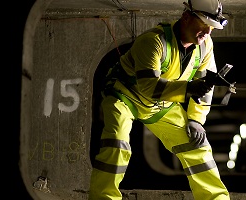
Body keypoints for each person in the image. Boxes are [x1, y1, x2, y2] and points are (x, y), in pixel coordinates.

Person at [88, 0, 230, 199]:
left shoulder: (205, 46)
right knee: (116, 144)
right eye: (203, 24)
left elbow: (206, 87)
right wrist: (189, 88)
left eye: (211, 28)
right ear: (186, 17)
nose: (207, 32)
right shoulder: (153, 41)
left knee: (197, 144)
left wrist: (196, 120)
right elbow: (148, 87)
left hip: (161, 104)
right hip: (125, 96)